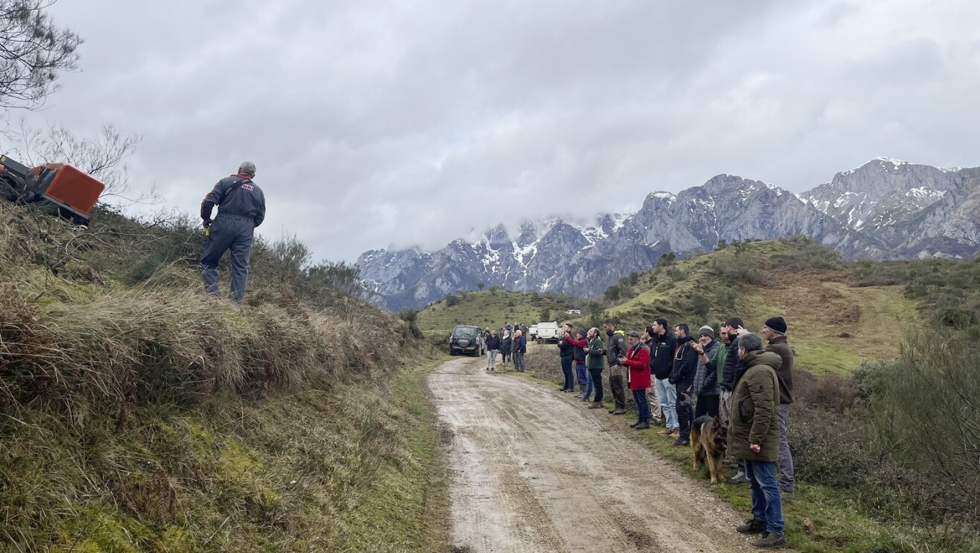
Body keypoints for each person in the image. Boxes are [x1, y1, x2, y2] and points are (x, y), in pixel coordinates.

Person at [731, 333, 786, 548]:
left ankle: (775, 530)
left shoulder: (760, 371)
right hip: (750, 437)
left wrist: (756, 439)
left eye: (738, 349)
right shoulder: (754, 369)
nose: (737, 353)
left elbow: (764, 410)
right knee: (755, 482)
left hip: (757, 439)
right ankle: (760, 520)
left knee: (767, 484)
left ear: (744, 350)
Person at [200, 161, 266, 302]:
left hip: (224, 223)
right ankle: (235, 304)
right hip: (246, 229)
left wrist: (206, 218)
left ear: (239, 169)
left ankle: (214, 298)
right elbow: (260, 216)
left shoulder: (225, 182)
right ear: (252, 176)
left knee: (209, 261)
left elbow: (208, 202)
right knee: (241, 267)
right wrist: (248, 226)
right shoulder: (259, 192)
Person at [763, 316, 795, 499]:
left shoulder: (776, 349)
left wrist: (744, 339)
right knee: (777, 440)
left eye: (766, 328)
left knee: (780, 442)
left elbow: (755, 357)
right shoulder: (783, 347)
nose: (763, 331)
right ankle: (781, 482)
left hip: (779, 401)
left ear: (774, 331)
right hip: (782, 401)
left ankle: (786, 486)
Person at [721, 317, 750, 484]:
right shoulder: (734, 343)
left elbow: (738, 366)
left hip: (734, 390)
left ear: (731, 327)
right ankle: (738, 462)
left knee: (739, 429)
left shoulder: (740, 342)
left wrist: (733, 386)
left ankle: (743, 469)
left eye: (727, 329)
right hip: (730, 389)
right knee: (732, 426)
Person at [670, 324, 698, 446]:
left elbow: (688, 364)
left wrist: (677, 376)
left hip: (686, 381)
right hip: (680, 381)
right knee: (684, 407)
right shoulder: (681, 345)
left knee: (683, 407)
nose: (675, 333)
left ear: (682, 331)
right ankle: (689, 434)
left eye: (676, 330)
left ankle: (685, 437)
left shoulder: (690, 345)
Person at [650, 318, 678, 437]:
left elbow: (675, 358)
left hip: (668, 377)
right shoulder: (655, 341)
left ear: (661, 326)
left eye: (655, 325)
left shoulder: (672, 340)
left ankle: (677, 427)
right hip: (658, 376)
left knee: (673, 403)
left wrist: (671, 372)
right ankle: (669, 426)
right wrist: (653, 365)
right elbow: (652, 356)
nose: (652, 327)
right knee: (664, 403)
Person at [620, 331, 652, 429]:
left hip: (640, 378)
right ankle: (641, 419)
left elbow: (642, 364)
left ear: (637, 339)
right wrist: (623, 362)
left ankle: (646, 420)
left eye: (631, 339)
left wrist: (627, 361)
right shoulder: (631, 350)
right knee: (638, 400)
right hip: (633, 378)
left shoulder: (644, 350)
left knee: (642, 400)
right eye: (629, 339)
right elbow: (630, 363)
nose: (629, 341)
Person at [692, 325, 721, 418]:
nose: (703, 338)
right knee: (698, 418)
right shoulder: (700, 350)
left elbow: (715, 371)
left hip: (712, 391)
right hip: (701, 391)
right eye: (701, 336)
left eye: (705, 335)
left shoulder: (716, 349)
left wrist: (706, 384)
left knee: (713, 419)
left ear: (711, 337)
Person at [603, 319, 628, 415]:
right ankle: (617, 405)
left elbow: (622, 350)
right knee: (613, 386)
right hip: (610, 364)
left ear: (610, 325)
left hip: (616, 365)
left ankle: (621, 406)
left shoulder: (618, 336)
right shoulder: (610, 337)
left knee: (618, 386)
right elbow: (611, 350)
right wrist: (604, 352)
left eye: (606, 327)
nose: (605, 329)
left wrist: (618, 362)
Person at [585, 327, 606, 409]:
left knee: (597, 384)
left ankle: (597, 401)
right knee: (597, 384)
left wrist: (588, 350)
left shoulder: (598, 341)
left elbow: (599, 352)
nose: (589, 332)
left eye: (591, 331)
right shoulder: (592, 341)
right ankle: (599, 401)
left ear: (595, 333)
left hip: (596, 366)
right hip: (593, 366)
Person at [567, 327, 589, 395]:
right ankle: (581, 392)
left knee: (582, 377)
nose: (577, 335)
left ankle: (584, 393)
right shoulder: (581, 341)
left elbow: (574, 343)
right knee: (579, 377)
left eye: (578, 333)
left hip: (582, 362)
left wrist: (568, 337)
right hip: (578, 362)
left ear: (582, 335)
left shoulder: (583, 341)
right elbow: (573, 343)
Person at [557, 323, 576, 392]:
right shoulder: (564, 337)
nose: (564, 329)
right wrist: (560, 344)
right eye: (564, 327)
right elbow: (559, 343)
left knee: (568, 371)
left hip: (568, 355)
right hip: (564, 355)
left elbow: (562, 346)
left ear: (569, 329)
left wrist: (560, 344)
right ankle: (566, 386)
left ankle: (571, 387)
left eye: (566, 327)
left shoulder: (569, 337)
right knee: (565, 371)